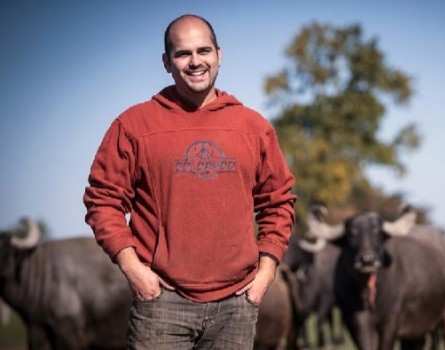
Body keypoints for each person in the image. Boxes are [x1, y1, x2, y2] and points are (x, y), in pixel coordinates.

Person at [83, 14, 296, 349]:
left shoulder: (252, 127)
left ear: (219, 55)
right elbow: (102, 201)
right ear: (167, 62)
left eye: (204, 50)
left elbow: (279, 202)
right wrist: (132, 267)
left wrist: (266, 271)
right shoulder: (134, 125)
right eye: (183, 54)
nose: (196, 62)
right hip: (162, 303)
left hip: (237, 306)